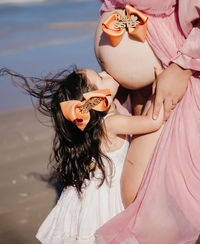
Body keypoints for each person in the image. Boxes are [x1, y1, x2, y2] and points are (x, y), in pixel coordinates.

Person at [94, 0, 200, 243]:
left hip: (170, 84)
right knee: (126, 198)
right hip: (128, 94)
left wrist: (181, 68)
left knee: (147, 206)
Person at [0, 67, 163, 244]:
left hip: (90, 191)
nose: (106, 73)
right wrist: (161, 87)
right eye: (101, 78)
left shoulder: (94, 124)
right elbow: (154, 122)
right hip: (107, 195)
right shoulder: (112, 123)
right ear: (97, 100)